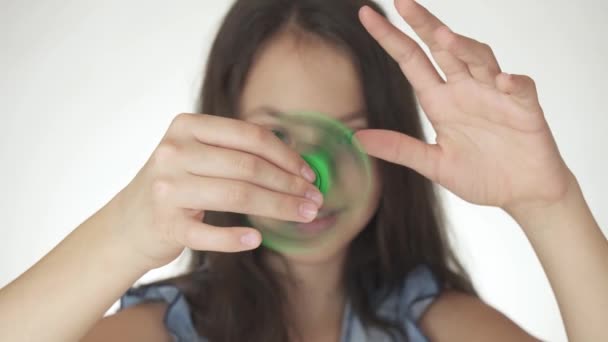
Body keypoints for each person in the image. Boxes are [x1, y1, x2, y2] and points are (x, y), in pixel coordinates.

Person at [1, 0, 606, 341]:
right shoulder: (158, 332)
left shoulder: (440, 327)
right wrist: (123, 234)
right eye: (277, 135)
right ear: (224, 131)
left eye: (347, 135)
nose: (311, 177)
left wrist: (548, 205)